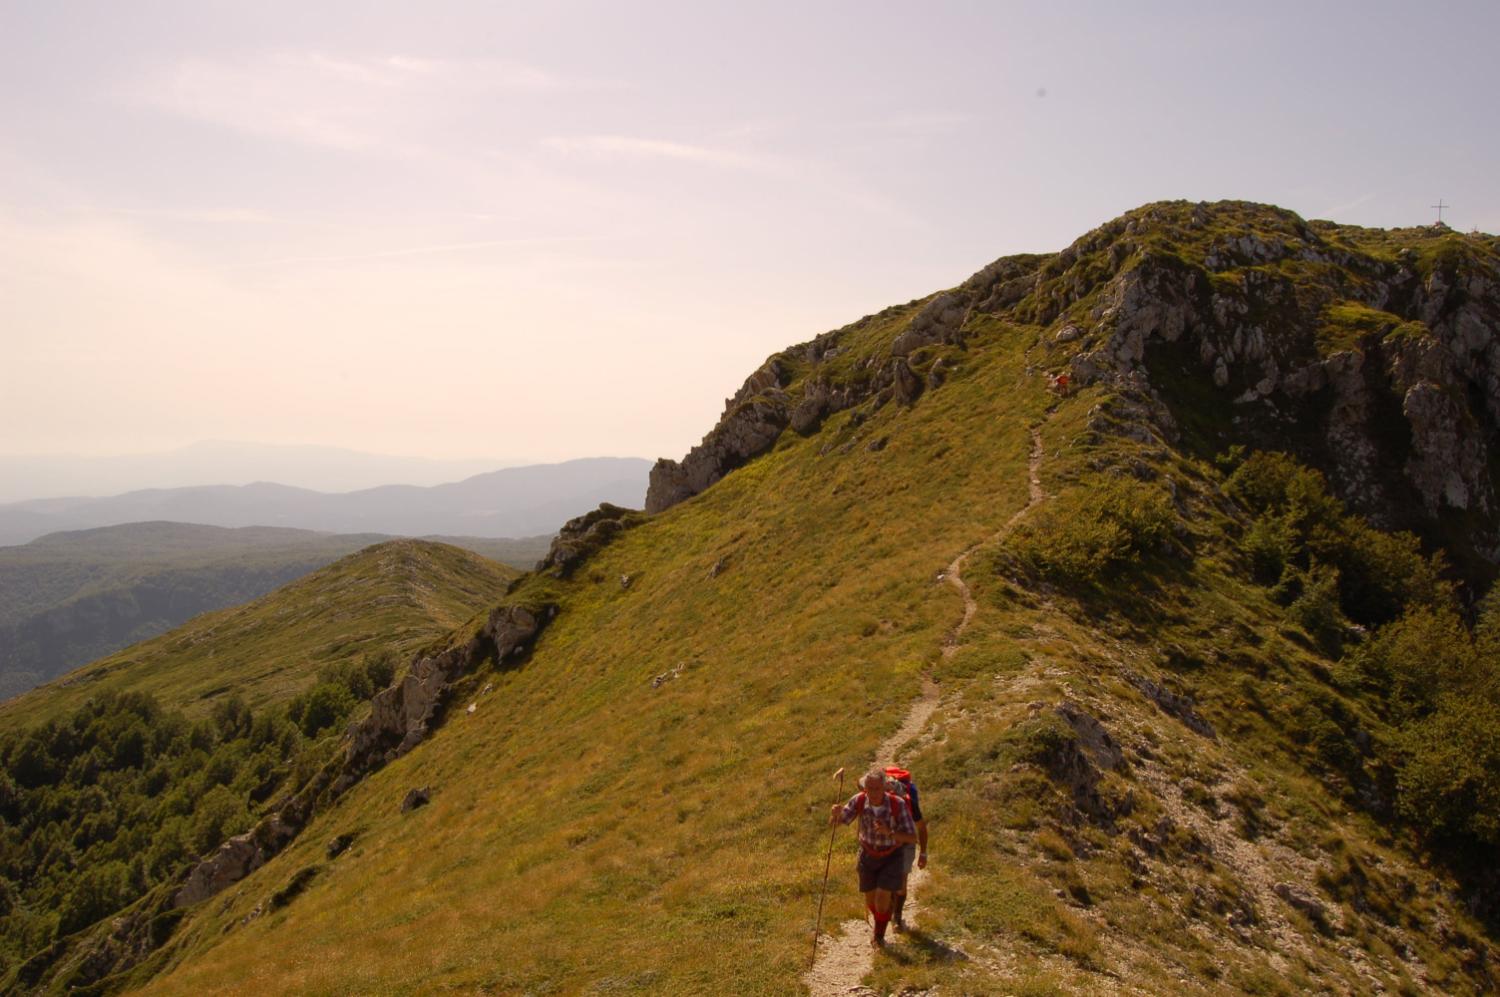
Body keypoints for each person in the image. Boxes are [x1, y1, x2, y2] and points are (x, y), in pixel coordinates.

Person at [829, 768, 920, 948]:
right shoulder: (859, 800)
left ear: (885, 787)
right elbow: (837, 823)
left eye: (877, 789)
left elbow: (912, 837)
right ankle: (884, 915)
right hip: (868, 855)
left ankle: (878, 937)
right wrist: (834, 815)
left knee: (880, 899)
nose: (873, 793)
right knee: (871, 900)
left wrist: (890, 832)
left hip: (891, 856)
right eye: (869, 788)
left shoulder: (897, 804)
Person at [883, 766, 928, 932]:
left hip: (905, 843)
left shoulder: (909, 803)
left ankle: (897, 917)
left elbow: (921, 828)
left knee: (901, 882)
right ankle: (889, 910)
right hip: (885, 842)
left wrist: (923, 853)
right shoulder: (877, 800)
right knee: (887, 881)